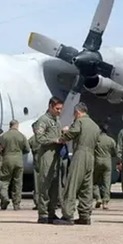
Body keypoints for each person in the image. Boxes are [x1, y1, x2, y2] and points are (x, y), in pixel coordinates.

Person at [57, 102, 101, 225]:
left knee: (72, 184)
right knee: (86, 187)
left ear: (78, 112)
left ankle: (67, 215)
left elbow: (72, 133)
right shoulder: (95, 125)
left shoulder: (79, 122)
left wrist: (64, 133)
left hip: (80, 154)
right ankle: (85, 216)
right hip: (91, 156)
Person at [32, 96, 64, 224]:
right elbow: (39, 138)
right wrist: (54, 140)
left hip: (56, 155)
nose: (59, 111)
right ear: (50, 106)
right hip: (47, 154)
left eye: (61, 109)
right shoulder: (43, 121)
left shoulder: (56, 120)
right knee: (45, 184)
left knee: (55, 185)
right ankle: (43, 213)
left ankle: (52, 211)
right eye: (57, 109)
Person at [0, 120, 30, 210]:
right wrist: (19, 152)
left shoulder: (4, 136)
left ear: (10, 125)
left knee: (4, 181)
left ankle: (4, 199)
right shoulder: (21, 136)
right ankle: (16, 204)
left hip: (7, 159)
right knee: (18, 182)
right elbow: (27, 149)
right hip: (18, 160)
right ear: (17, 126)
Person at [93, 123, 117, 209]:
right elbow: (115, 152)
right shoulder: (111, 140)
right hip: (107, 162)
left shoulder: (96, 139)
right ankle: (105, 201)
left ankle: (98, 198)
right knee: (107, 183)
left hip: (97, 161)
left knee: (94, 181)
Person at [28, 132, 39, 211]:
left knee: (37, 183)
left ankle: (38, 202)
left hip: (37, 161)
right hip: (46, 161)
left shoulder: (32, 139)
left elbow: (26, 148)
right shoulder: (46, 136)